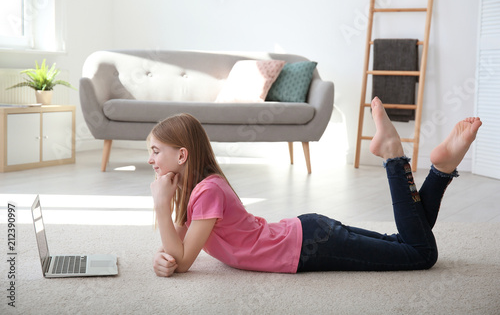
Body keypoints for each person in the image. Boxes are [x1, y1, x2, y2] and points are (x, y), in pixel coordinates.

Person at [149, 97, 482, 277]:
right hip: (308, 233)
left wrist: (161, 207)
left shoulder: (207, 192)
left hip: (309, 246)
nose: (151, 160)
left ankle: (395, 156)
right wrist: (163, 257)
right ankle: (442, 169)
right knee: (408, 243)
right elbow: (176, 246)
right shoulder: (201, 189)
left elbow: (184, 260)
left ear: (181, 154)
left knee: (420, 255)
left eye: (155, 151)